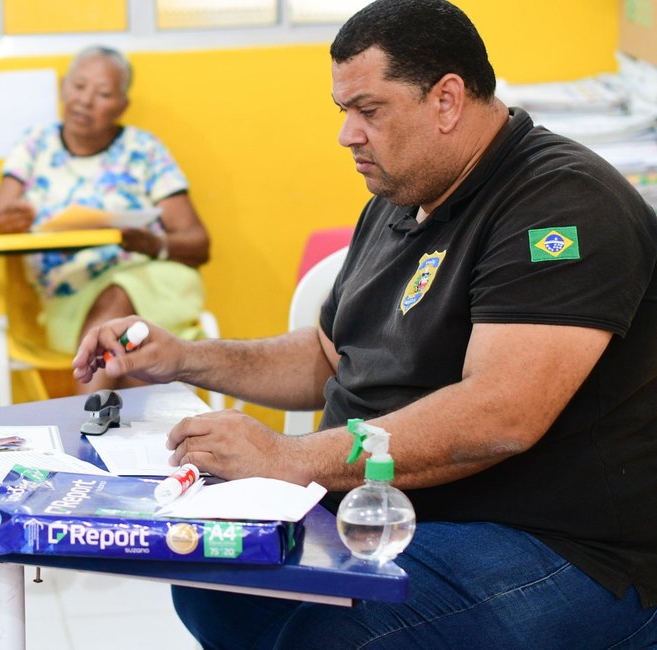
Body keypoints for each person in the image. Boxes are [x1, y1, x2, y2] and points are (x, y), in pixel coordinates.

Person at [72, 1, 657, 646]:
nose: (347, 134)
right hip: (403, 512)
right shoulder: (404, 195)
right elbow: (328, 358)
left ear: (447, 100)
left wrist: (289, 459)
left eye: (368, 110)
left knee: (336, 636)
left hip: (559, 545)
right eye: (343, 111)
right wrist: (184, 357)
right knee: (216, 579)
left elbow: (502, 414)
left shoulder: (563, 205)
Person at [0, 46, 211, 393]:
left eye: (102, 94)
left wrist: (154, 244)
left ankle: (87, 426)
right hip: (68, 299)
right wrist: (4, 223)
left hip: (153, 284)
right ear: (62, 88)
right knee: (135, 357)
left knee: (119, 299)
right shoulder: (34, 146)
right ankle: (134, 439)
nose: (85, 100)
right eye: (78, 86)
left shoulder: (144, 150)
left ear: (122, 106)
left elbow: (198, 243)